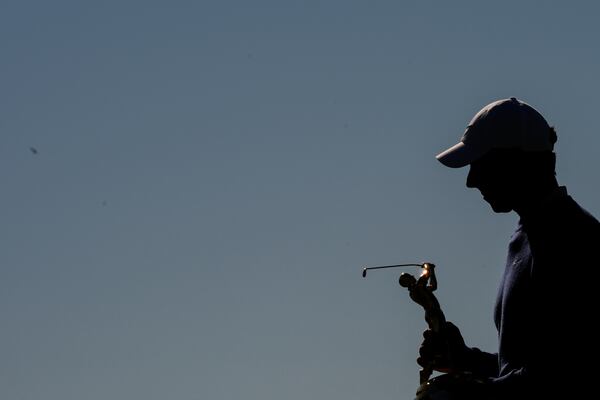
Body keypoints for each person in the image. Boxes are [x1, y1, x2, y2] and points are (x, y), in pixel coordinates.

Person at [420, 97, 600, 399]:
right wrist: (468, 361)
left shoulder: (576, 241)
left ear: (516, 161)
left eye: (480, 164)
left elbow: (570, 374)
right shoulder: (528, 235)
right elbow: (531, 369)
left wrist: (469, 394)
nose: (471, 180)